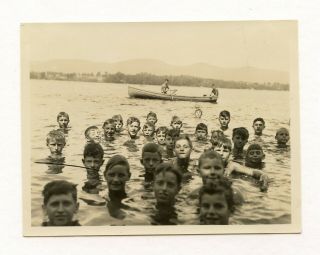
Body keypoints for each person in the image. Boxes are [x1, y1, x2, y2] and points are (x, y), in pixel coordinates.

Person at [103, 155, 131, 219]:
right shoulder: (100, 201)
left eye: (121, 175)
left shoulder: (134, 202)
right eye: (111, 175)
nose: (116, 179)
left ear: (129, 176)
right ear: (105, 175)